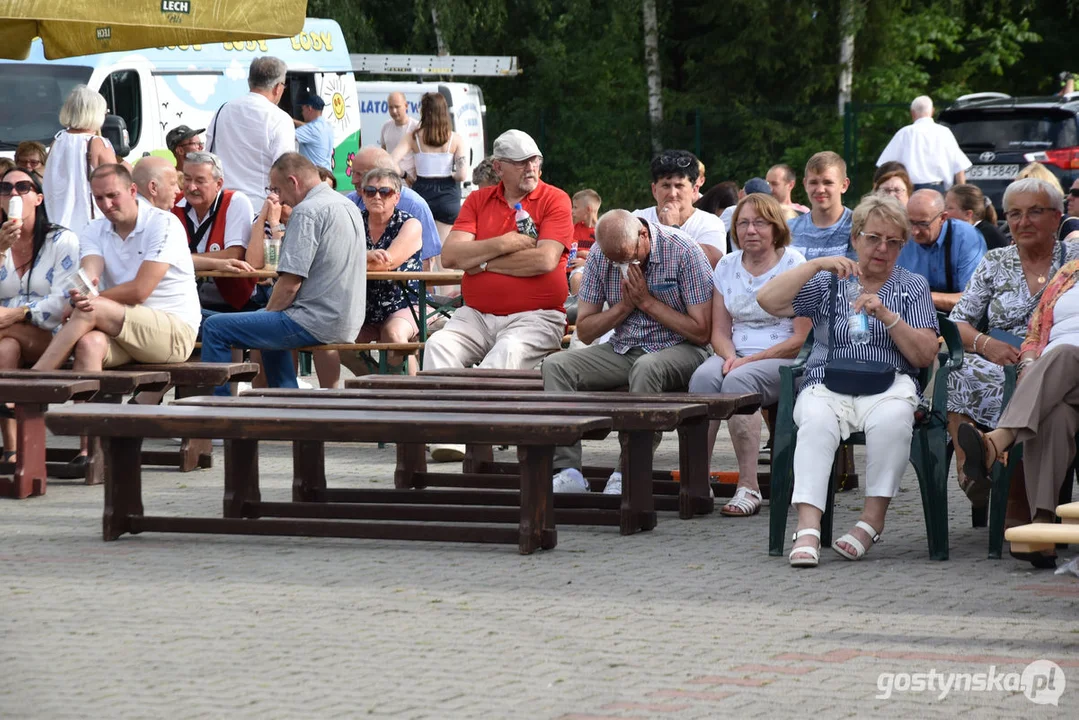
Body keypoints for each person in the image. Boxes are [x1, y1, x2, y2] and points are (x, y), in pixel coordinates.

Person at [758, 193, 939, 567]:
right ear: (855, 238)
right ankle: (808, 527)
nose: (882, 249)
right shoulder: (831, 280)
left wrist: (888, 315)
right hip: (827, 380)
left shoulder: (912, 285)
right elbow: (768, 300)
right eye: (873, 238)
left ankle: (871, 522)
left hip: (890, 383)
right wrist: (817, 265)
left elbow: (924, 355)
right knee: (815, 422)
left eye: (893, 241)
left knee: (893, 422)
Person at [543, 209, 713, 494]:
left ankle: (629, 469)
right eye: (616, 260)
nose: (623, 265)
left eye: (629, 257)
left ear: (643, 235)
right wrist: (623, 307)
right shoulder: (600, 255)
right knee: (555, 365)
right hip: (624, 347)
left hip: (683, 348)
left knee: (646, 367)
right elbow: (585, 330)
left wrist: (647, 303)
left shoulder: (683, 251)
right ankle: (568, 470)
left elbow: (701, 332)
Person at [428, 129, 572, 462]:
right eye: (521, 162)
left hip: (538, 315)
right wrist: (505, 245)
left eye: (535, 159)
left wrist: (481, 260)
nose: (531, 168)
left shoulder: (555, 199)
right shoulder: (478, 200)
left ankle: (478, 439)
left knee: (505, 352)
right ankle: (448, 438)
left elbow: (545, 260)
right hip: (476, 314)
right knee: (438, 346)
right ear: (498, 167)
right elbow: (450, 257)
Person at [946, 177, 1079, 508]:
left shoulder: (1074, 258)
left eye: (1035, 212)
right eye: (1015, 214)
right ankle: (972, 471)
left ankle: (992, 450)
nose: (1023, 222)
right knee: (954, 371)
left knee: (1056, 368)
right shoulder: (995, 261)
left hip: (1057, 362)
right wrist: (986, 344)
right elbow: (958, 323)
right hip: (1004, 361)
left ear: (1057, 216)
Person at [687, 194, 811, 516]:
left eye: (760, 222)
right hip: (735, 354)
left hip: (784, 356)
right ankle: (697, 481)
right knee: (702, 377)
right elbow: (719, 332)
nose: (750, 230)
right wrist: (729, 357)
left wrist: (745, 363)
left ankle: (749, 486)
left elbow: (801, 338)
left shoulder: (794, 264)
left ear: (775, 227)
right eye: (743, 223)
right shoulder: (727, 265)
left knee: (739, 382)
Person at [200, 153, 365, 394]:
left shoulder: (307, 211)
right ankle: (288, 399)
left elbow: (290, 285)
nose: (278, 197)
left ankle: (219, 415)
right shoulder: (347, 204)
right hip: (344, 320)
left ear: (293, 181)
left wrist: (265, 317)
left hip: (314, 321)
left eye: (277, 189)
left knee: (215, 326)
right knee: (263, 325)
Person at [958, 257, 1079, 568]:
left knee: (1064, 353)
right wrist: (1027, 365)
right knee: (1055, 414)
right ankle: (1042, 527)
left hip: (1066, 362)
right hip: (1058, 378)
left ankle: (998, 440)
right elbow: (1036, 331)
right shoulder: (1069, 273)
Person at [32, 163, 201, 373]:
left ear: (132, 191)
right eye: (99, 198)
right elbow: (88, 275)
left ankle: (35, 379)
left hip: (175, 332)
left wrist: (90, 299)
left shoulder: (164, 223)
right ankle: (87, 407)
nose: (106, 204)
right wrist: (79, 294)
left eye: (112, 195)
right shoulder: (94, 228)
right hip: (121, 326)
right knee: (89, 344)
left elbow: (140, 291)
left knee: (92, 308)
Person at [315, 168, 422, 387]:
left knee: (394, 336)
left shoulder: (409, 224)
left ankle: (414, 392)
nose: (377, 197)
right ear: (362, 194)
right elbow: (329, 259)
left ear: (397, 197)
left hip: (402, 303)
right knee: (332, 339)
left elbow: (388, 262)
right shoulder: (352, 221)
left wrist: (353, 259)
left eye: (385, 191)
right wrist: (366, 256)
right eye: (370, 191)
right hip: (360, 305)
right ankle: (377, 380)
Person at [0, 168, 80, 460]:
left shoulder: (61, 240)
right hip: (6, 334)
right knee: (5, 347)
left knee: (6, 335)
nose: (13, 194)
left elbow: (61, 303)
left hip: (53, 335)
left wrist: (16, 314)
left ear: (38, 197)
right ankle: (14, 450)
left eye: (23, 187)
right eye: (5, 188)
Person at [171, 151, 258, 312]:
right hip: (186, 301)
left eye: (200, 181)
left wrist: (181, 260)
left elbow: (233, 255)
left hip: (234, 304)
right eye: (187, 179)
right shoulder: (173, 202)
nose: (191, 187)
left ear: (218, 184)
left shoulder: (235, 201)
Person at [205, 56, 295, 207]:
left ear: (249, 81)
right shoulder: (279, 118)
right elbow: (285, 168)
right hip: (259, 207)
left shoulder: (223, 110)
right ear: (278, 88)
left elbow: (209, 155)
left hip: (221, 205)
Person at [391, 92, 468, 244]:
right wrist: (451, 175)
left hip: (422, 192)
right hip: (448, 195)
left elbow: (391, 161)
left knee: (423, 248)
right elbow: (462, 175)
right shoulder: (456, 139)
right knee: (443, 249)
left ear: (423, 112)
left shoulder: (413, 137)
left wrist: (405, 175)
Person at [42, 85, 118, 237]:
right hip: (90, 228)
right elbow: (116, 185)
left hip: (56, 226)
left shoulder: (57, 141)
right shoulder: (99, 144)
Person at [347, 146, 441, 268]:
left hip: (400, 285)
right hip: (358, 286)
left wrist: (354, 262)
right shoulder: (349, 202)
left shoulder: (414, 205)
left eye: (360, 174)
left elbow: (426, 261)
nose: (353, 180)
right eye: (370, 191)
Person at [634, 150, 726, 267]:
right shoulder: (637, 220)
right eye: (666, 186)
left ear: (694, 190)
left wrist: (673, 229)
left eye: (679, 186)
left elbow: (712, 265)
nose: (672, 194)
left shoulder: (710, 223)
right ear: (654, 190)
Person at [898, 189, 987, 311]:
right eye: (910, 222)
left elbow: (973, 299)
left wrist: (921, 296)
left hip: (959, 320)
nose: (914, 231)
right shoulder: (899, 236)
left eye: (923, 224)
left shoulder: (967, 238)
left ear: (943, 218)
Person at [876, 95, 971, 192]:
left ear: (912, 113)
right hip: (938, 189)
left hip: (910, 190)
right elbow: (959, 167)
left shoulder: (904, 133)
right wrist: (962, 195)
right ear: (932, 111)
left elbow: (885, 166)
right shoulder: (944, 133)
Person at [788, 152, 854, 261]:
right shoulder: (789, 229)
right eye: (813, 182)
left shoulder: (857, 226)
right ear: (805, 184)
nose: (820, 190)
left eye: (828, 182)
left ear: (844, 185)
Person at [945, 184, 1007, 250]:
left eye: (949, 208)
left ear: (968, 214)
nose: (944, 211)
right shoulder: (954, 232)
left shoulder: (987, 237)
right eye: (944, 205)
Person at [569, 188, 601, 295]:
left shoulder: (603, 231)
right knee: (576, 277)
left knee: (577, 278)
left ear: (588, 209)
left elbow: (606, 258)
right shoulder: (573, 228)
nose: (572, 211)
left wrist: (586, 262)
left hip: (596, 270)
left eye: (575, 207)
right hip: (571, 270)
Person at [294, 95, 334, 170]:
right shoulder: (327, 126)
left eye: (303, 110)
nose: (302, 113)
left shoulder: (312, 129)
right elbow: (308, 127)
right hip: (327, 174)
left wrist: (285, 119)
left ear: (309, 108)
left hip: (316, 176)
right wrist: (295, 121)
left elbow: (286, 134)